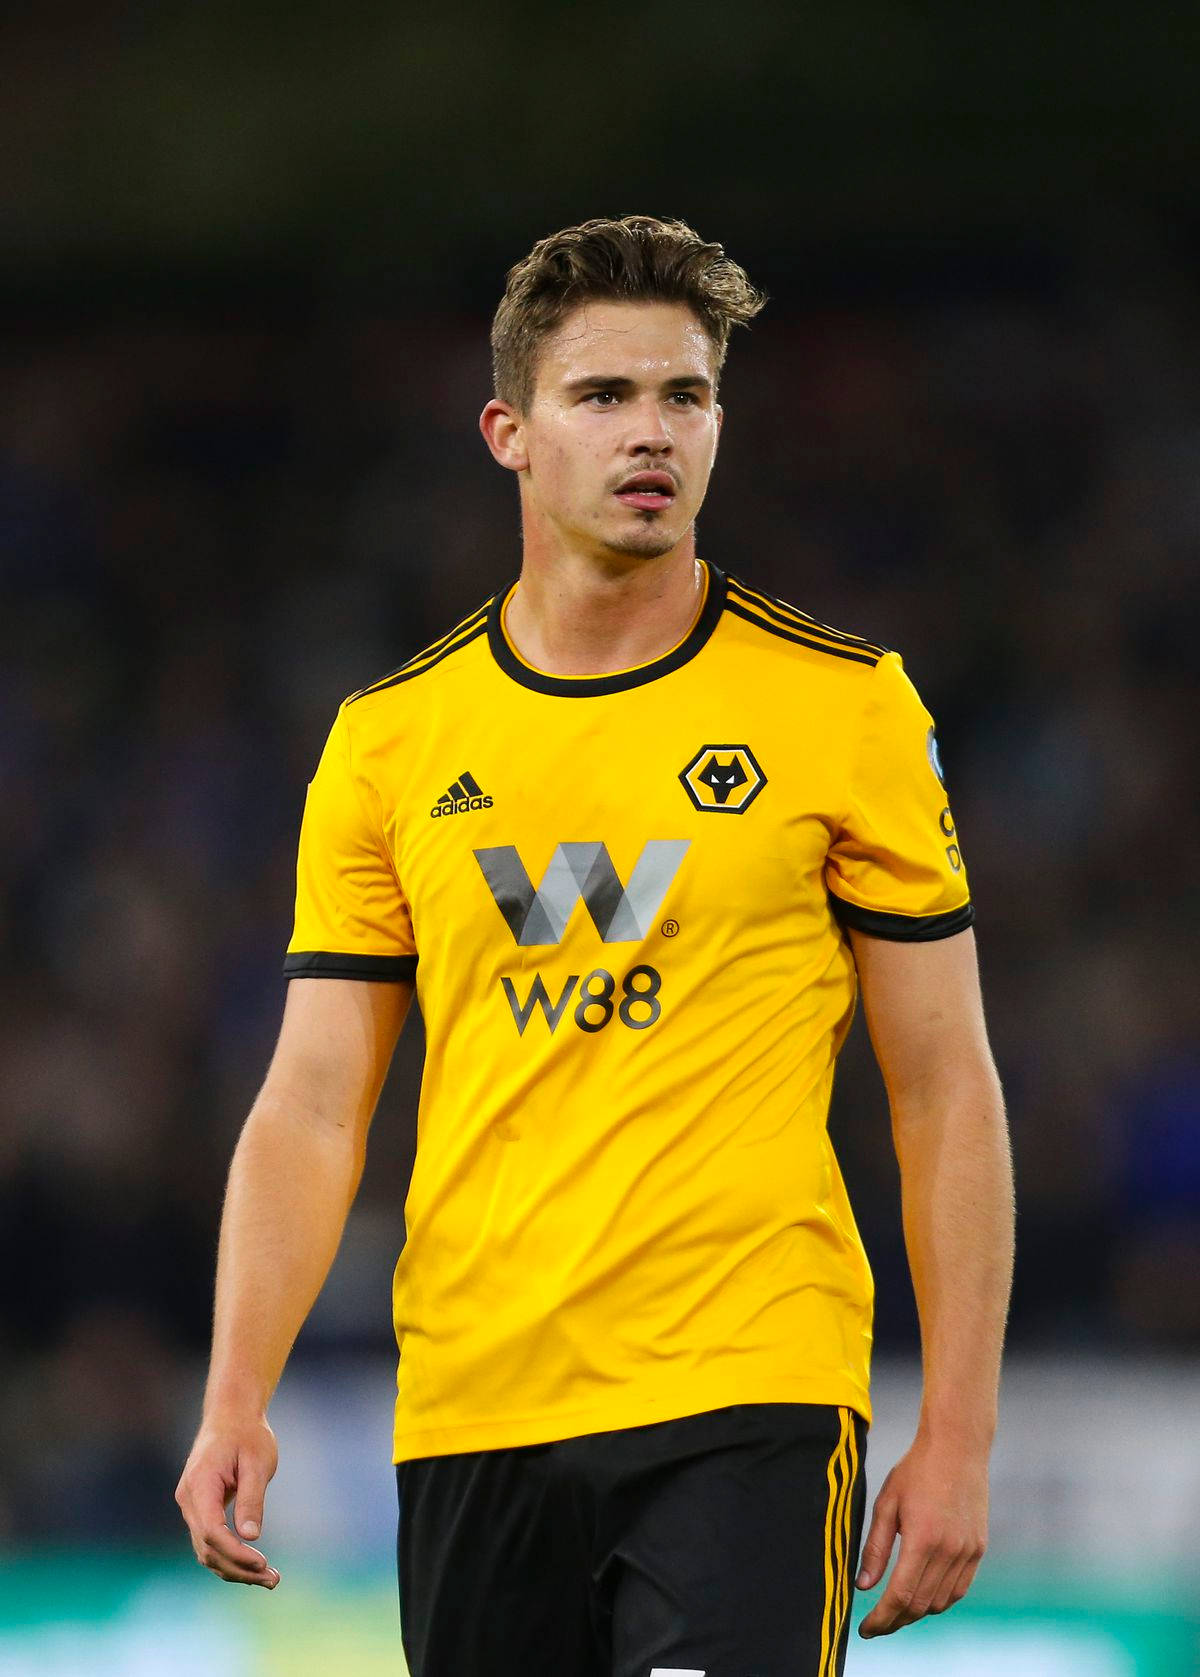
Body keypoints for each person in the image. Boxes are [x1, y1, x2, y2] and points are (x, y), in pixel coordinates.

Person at [176, 214, 1015, 1676]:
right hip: (473, 1407)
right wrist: (235, 1387)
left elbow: (943, 1082)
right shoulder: (389, 742)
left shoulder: (846, 707)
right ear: (509, 431)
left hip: (746, 1393)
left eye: (686, 396)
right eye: (604, 396)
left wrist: (959, 1431)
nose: (654, 434)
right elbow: (314, 1099)